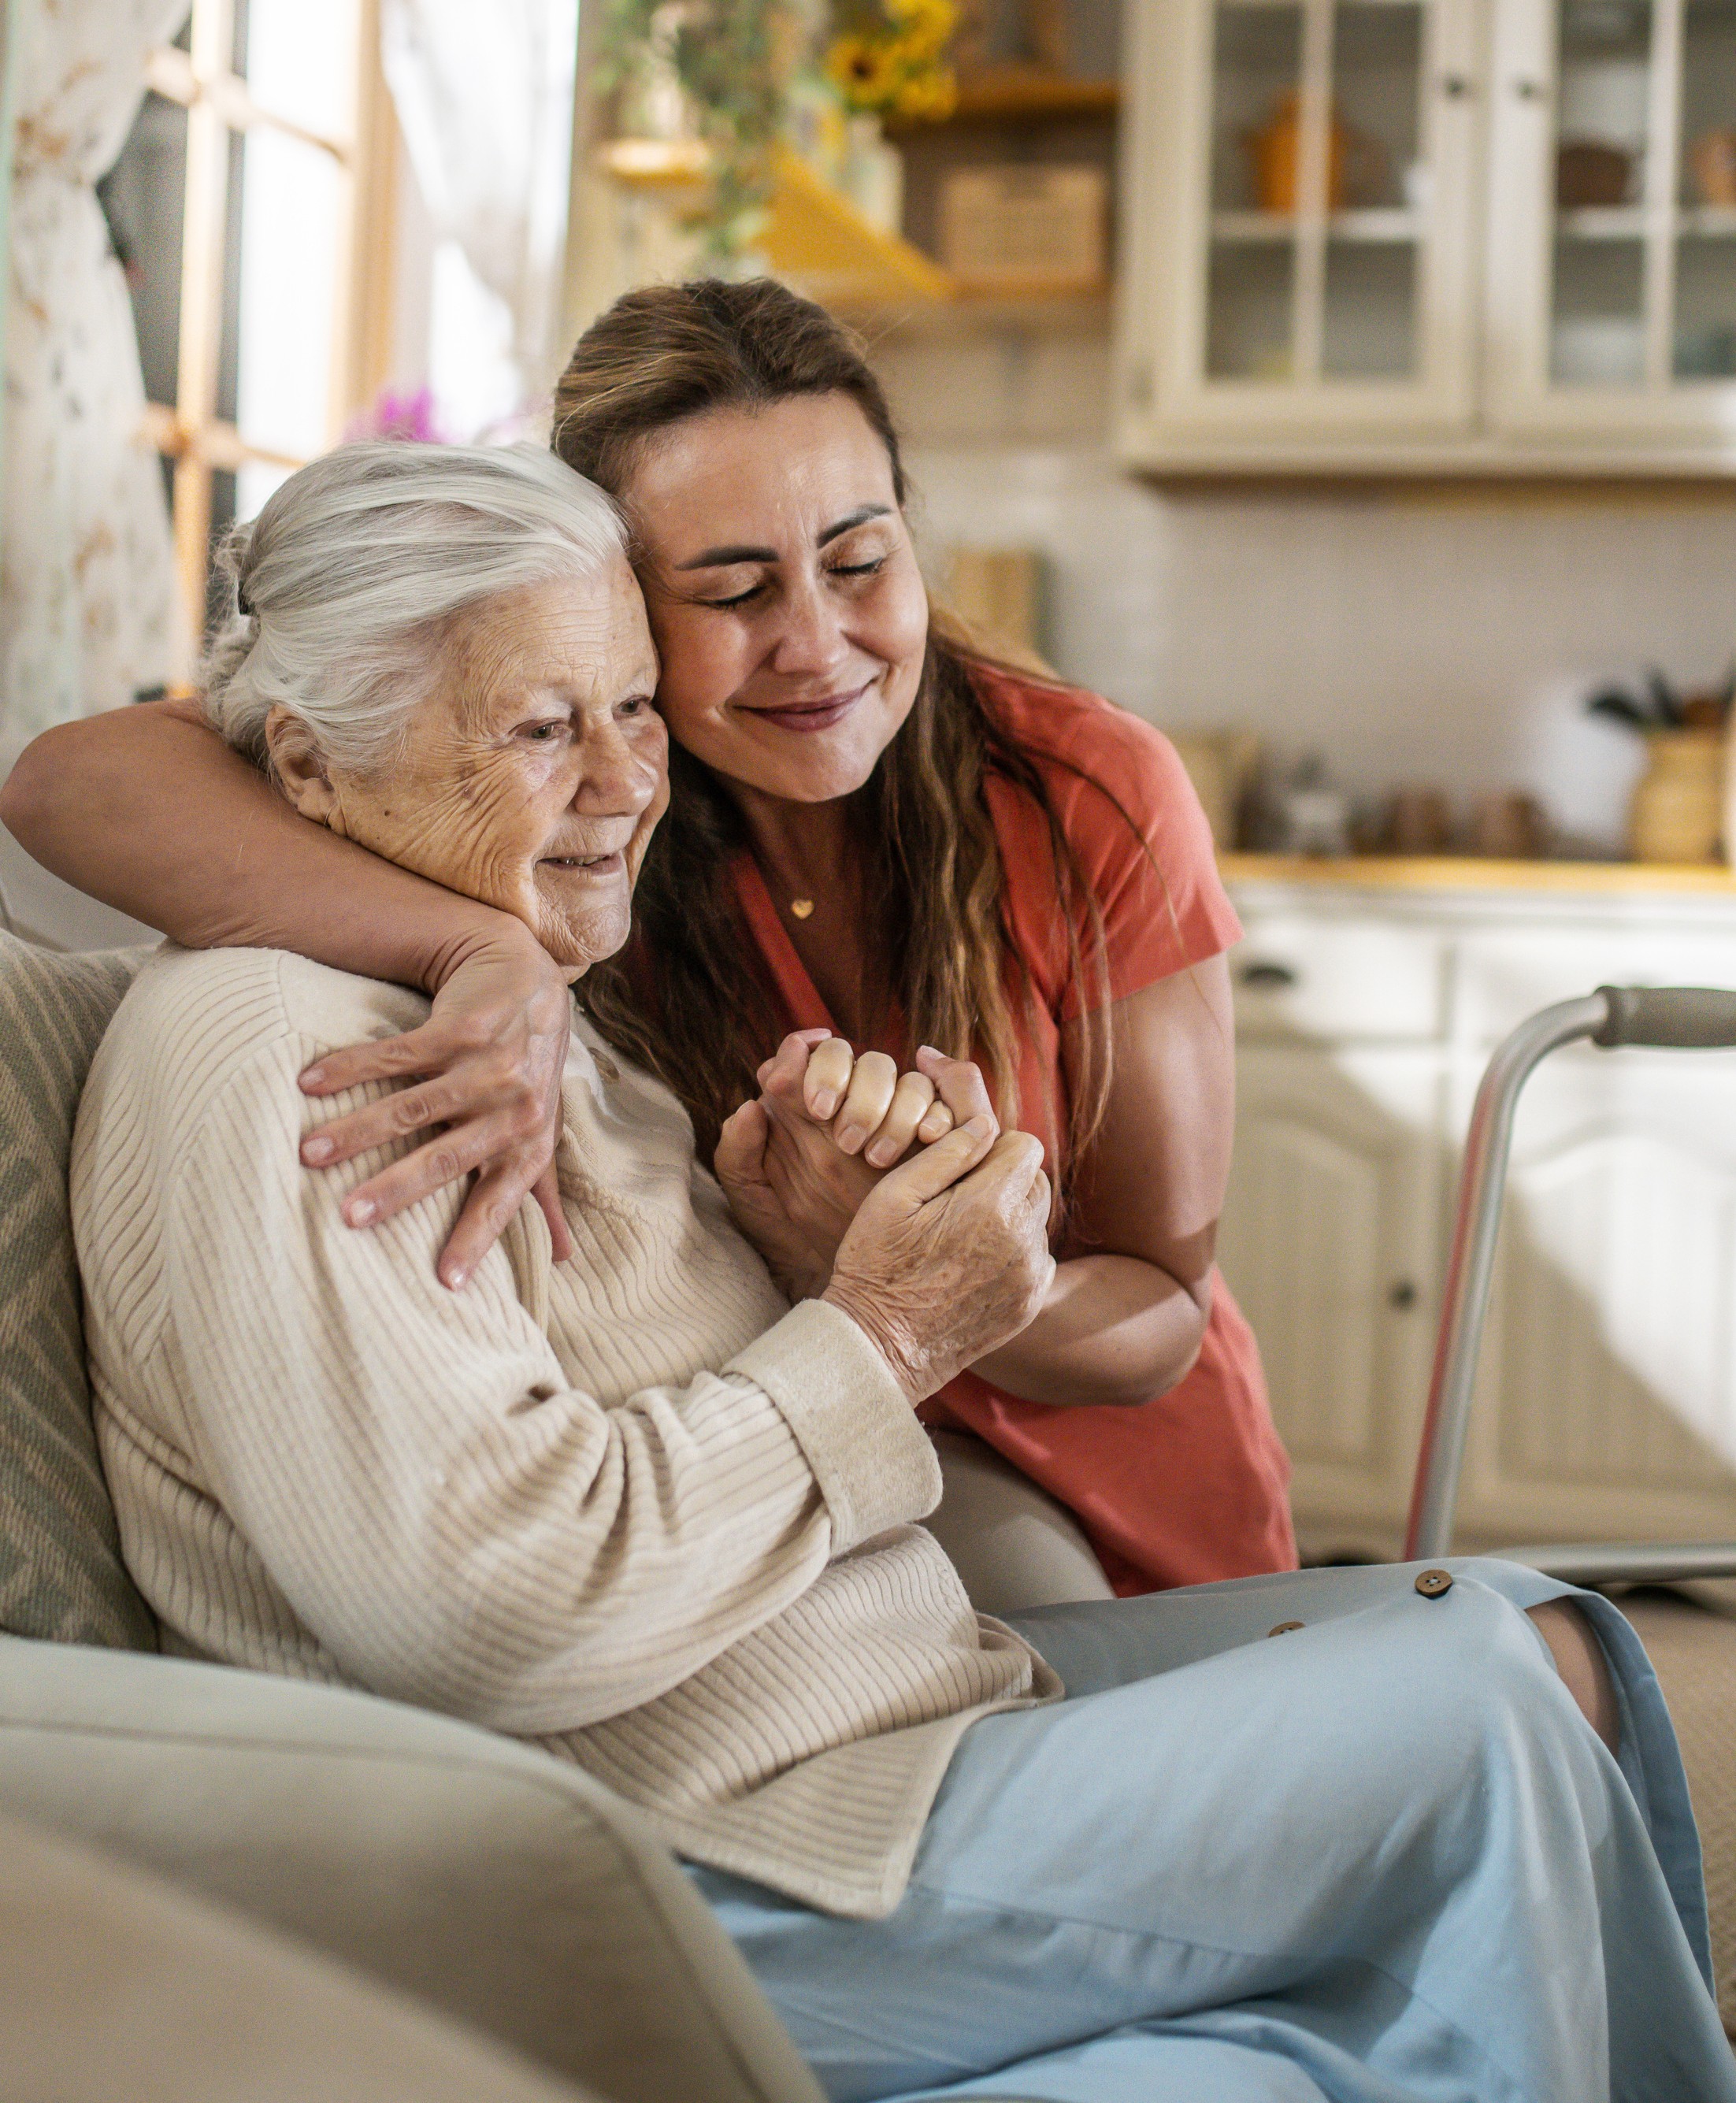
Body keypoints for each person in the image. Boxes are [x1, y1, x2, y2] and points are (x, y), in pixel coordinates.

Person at [56, 441, 1736, 2100]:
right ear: (307, 764)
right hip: (735, 1849)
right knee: (1486, 1715)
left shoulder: (504, 1001)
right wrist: (881, 1326)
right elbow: (488, 1601)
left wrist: (822, 1247)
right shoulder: (299, 1059)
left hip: (887, 1735)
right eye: (539, 726)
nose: (630, 781)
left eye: (634, 708)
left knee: (1537, 1631)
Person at [4, 280, 1292, 1599]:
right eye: (732, 588)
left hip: (1125, 1494)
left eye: (860, 562)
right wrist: (478, 950)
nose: (818, 645)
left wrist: (924, 1274)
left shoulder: (1083, 793)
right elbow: (66, 785)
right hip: (804, 1477)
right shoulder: (590, 818)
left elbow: (1162, 1316)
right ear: (616, 599)